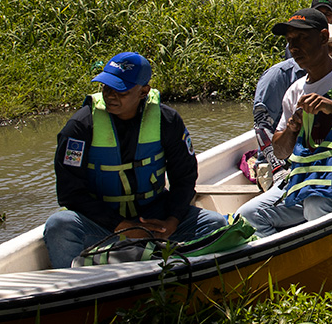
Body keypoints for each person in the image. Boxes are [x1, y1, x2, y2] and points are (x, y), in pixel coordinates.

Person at [43, 51, 227, 268]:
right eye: (106, 87)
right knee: (59, 226)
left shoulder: (167, 121)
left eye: (121, 91)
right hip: (103, 224)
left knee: (214, 224)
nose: (111, 95)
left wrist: (171, 221)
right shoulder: (80, 127)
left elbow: (184, 178)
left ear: (143, 92)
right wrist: (122, 226)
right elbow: (69, 192)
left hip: (154, 219)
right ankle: (76, 290)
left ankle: (169, 268)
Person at [238, 9, 332, 235]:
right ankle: (291, 260)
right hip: (308, 177)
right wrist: (292, 128)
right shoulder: (294, 92)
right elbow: (281, 152)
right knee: (249, 214)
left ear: (323, 38)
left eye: (302, 38)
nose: (294, 47)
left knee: (314, 203)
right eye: (290, 40)